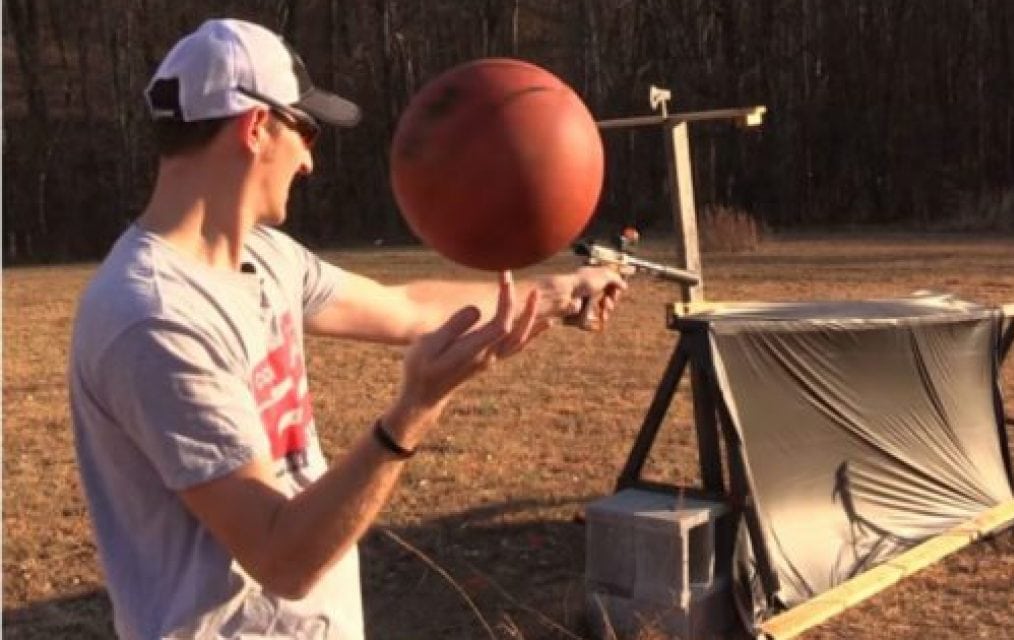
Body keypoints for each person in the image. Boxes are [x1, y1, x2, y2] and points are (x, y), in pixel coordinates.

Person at [68, 18, 624, 639]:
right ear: (256, 127)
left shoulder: (265, 257)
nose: (309, 159)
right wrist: (413, 411)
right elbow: (282, 558)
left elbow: (405, 306)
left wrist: (557, 293)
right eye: (305, 130)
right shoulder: (153, 318)